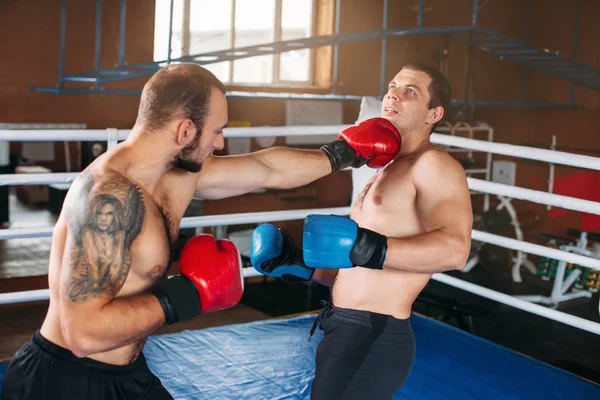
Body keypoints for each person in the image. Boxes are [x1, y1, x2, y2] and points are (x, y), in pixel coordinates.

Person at [0, 62, 404, 400]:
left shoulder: (177, 175)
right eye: (216, 130)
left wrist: (342, 153)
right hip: (63, 381)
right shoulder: (108, 196)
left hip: (125, 372)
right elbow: (82, 334)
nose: (222, 142)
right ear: (185, 131)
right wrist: (189, 295)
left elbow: (268, 168)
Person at [250, 63, 473, 399]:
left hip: (373, 334)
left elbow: (455, 250)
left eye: (410, 91)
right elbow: (361, 265)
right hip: (343, 325)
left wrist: (367, 246)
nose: (393, 94)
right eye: (392, 85)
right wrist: (299, 264)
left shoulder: (434, 165)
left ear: (433, 114)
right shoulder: (385, 168)